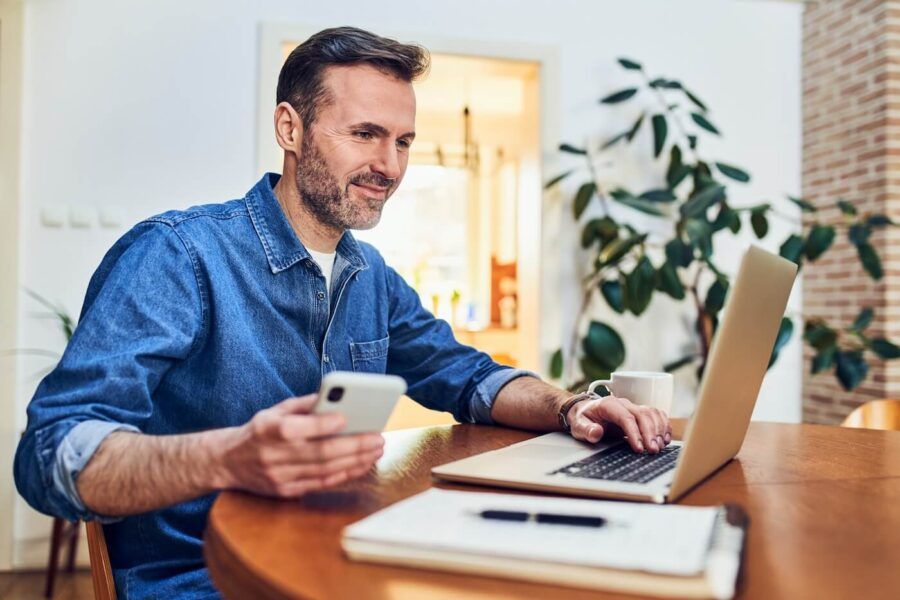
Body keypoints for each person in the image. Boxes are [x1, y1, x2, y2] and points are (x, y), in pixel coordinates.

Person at [14, 26, 671, 599]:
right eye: (365, 134)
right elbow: (49, 457)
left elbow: (469, 376)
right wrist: (229, 458)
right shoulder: (178, 256)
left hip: (339, 553)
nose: (389, 165)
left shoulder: (372, 275)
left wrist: (571, 408)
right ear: (289, 128)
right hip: (204, 578)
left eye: (404, 141)